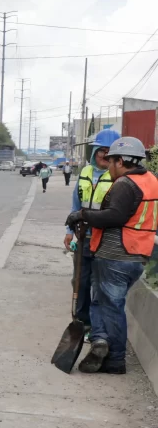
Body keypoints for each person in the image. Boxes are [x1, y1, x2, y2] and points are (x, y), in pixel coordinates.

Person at [65, 137, 158, 375]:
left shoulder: (125, 184)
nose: (108, 166)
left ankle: (115, 359)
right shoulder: (151, 181)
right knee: (101, 302)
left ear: (120, 161)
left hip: (117, 254)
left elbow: (115, 216)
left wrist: (82, 215)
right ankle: (100, 341)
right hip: (137, 254)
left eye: (111, 160)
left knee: (112, 307)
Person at [63, 129, 118, 335]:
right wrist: (70, 230)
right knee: (80, 282)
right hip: (83, 237)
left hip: (105, 240)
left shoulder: (118, 177)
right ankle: (81, 323)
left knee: (100, 285)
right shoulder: (85, 173)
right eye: (101, 150)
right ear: (94, 151)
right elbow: (76, 204)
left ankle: (98, 329)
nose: (104, 155)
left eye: (108, 151)